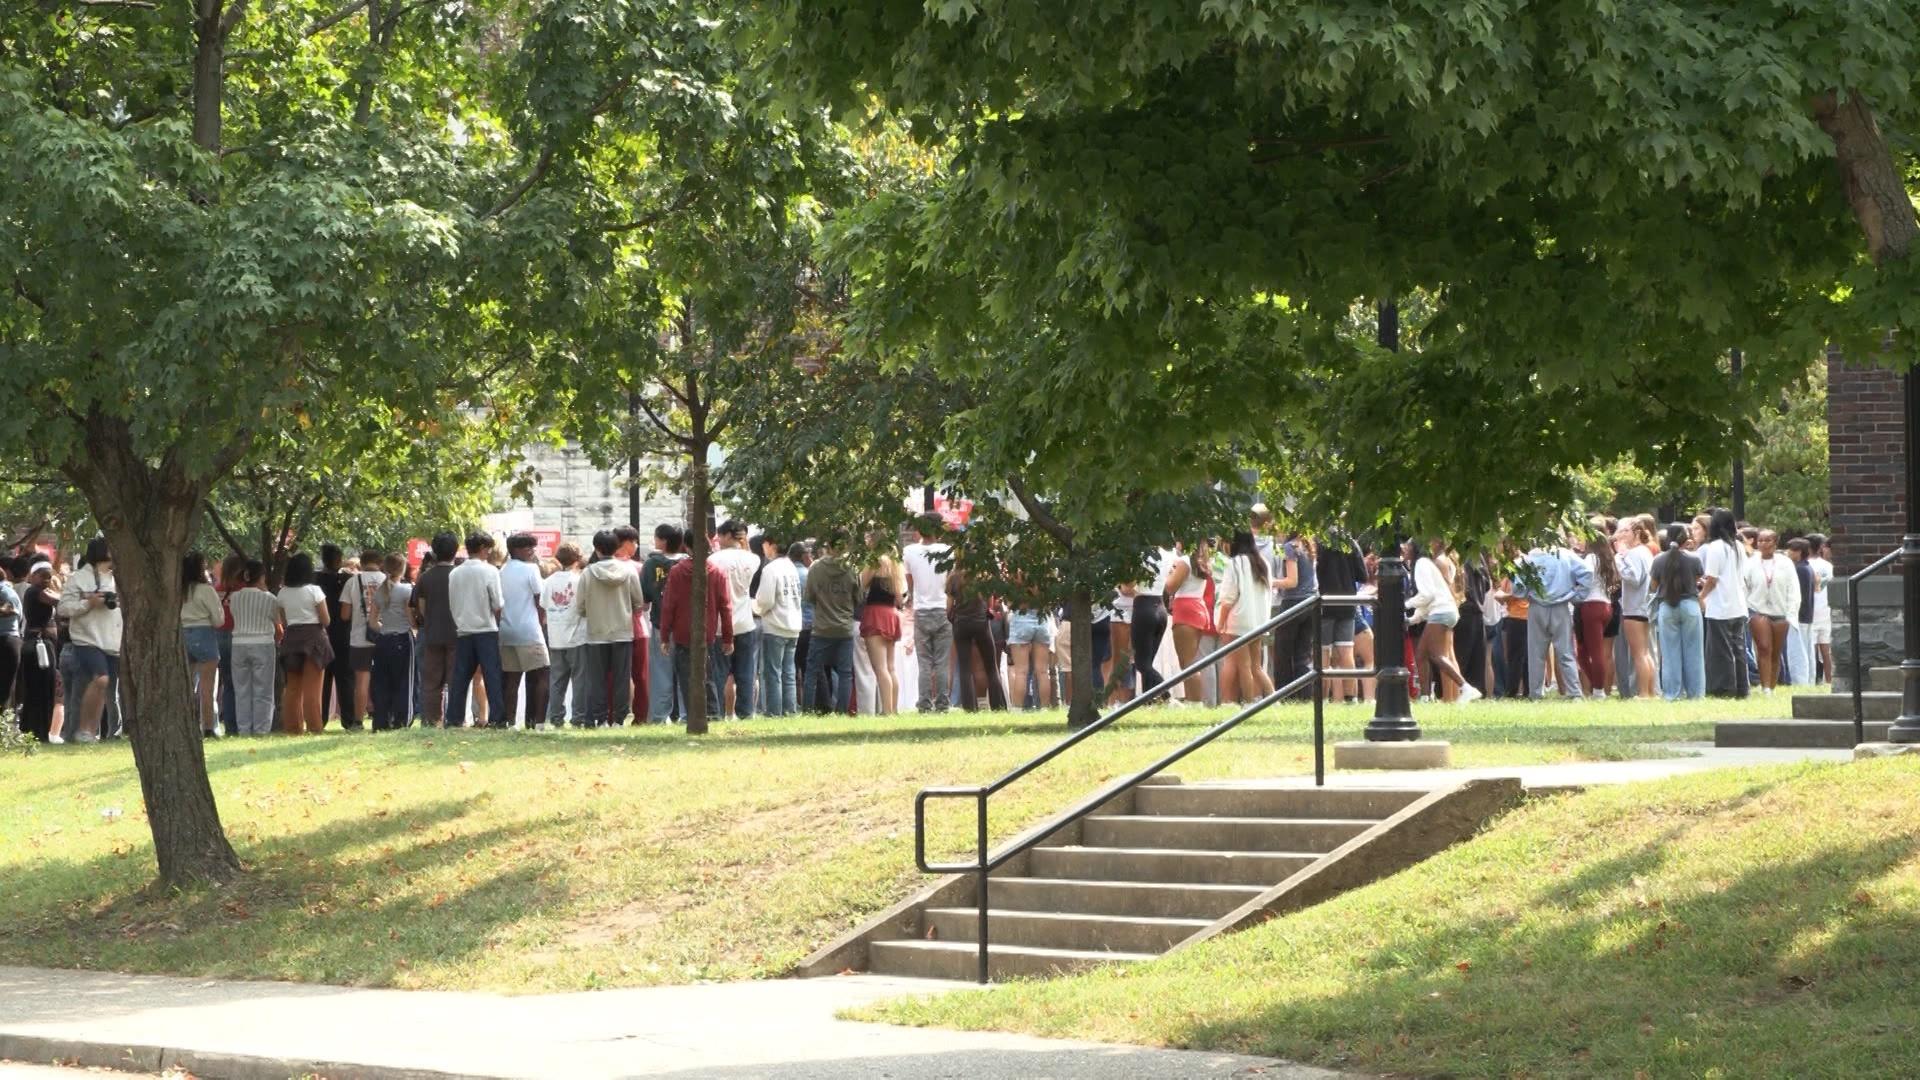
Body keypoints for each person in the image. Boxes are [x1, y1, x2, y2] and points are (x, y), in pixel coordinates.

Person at [576, 530, 647, 726]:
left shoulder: (588, 573)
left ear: (596, 549)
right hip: (623, 631)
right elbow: (638, 602)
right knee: (622, 678)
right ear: (616, 547)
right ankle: (619, 718)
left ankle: (600, 718)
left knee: (597, 679)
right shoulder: (629, 571)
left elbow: (580, 606)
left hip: (596, 632)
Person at [56, 538, 121, 743]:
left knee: (104, 687)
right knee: (101, 679)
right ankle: (83, 730)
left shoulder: (118, 577)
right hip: (87, 639)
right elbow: (63, 608)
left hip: (113, 641)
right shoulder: (78, 578)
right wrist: (88, 603)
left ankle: (90, 732)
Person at [659, 542, 734, 718]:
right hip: (708, 633)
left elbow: (669, 605)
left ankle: (693, 715)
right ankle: (713, 713)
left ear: (687, 547)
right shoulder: (717, 572)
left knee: (686, 678)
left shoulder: (677, 571)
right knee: (709, 676)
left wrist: (664, 636)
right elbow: (726, 608)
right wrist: (728, 637)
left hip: (682, 632)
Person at [1407, 538, 1481, 703]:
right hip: (1445, 610)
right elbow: (1432, 596)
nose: (1404, 547)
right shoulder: (1435, 562)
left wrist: (1406, 604)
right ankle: (1426, 697)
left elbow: (1428, 595)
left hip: (1441, 611)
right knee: (1422, 654)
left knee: (1438, 655)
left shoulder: (1423, 564)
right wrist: (1413, 619)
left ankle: (1465, 688)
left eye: (1408, 545)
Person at [1514, 540, 1589, 700]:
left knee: (1536, 653)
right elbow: (1587, 571)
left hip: (1536, 606)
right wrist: (1578, 595)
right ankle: (1574, 692)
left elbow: (1517, 587)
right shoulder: (1566, 554)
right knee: (1566, 651)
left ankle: (1535, 693)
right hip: (1561, 606)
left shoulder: (1528, 558)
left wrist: (1525, 594)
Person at [446, 532, 507, 728]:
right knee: (492, 676)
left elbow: (453, 602)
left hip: (463, 629)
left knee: (460, 677)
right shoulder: (490, 571)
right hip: (486, 629)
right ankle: (497, 718)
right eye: (488, 548)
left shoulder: (455, 573)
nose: (489, 552)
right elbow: (497, 603)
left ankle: (454, 718)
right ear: (482, 548)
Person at [707, 521, 761, 720]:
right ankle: (746, 712)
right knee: (746, 672)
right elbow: (750, 557)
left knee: (719, 673)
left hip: (721, 624)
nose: (718, 540)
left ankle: (720, 712)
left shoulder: (713, 560)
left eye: (720, 536)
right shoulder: (753, 559)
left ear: (727, 535)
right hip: (745, 621)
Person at [803, 534, 862, 714]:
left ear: (828, 545)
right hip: (844, 627)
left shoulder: (816, 568)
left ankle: (807, 709)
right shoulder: (852, 568)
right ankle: (842, 711)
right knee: (845, 673)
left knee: (812, 671)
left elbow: (809, 597)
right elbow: (858, 598)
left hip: (821, 628)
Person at [277, 552, 334, 734]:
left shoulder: (283, 592)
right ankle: (315, 727)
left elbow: (284, 621)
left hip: (292, 639)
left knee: (292, 687)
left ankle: (292, 727)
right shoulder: (314, 591)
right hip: (314, 639)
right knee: (313, 688)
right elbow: (326, 620)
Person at [901, 517, 955, 713]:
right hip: (942, 609)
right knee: (942, 662)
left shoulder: (909, 552)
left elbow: (910, 583)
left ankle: (924, 702)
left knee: (924, 662)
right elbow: (950, 582)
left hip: (921, 610)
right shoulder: (947, 551)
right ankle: (942, 703)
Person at [1215, 531, 1275, 704]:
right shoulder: (1262, 562)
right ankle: (1274, 698)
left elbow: (1228, 598)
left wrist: (1221, 623)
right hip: (1259, 621)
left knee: (1244, 666)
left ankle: (1249, 703)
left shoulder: (1235, 563)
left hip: (1239, 621)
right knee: (1256, 667)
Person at [497, 534, 549, 728]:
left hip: (506, 630)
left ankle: (510, 722)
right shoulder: (531, 569)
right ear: (516, 550)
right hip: (529, 630)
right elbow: (540, 599)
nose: (532, 551)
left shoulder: (502, 571)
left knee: (511, 679)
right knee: (542, 674)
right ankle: (539, 722)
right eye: (528, 547)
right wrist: (542, 623)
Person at [1698, 507, 1751, 699]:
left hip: (1720, 606)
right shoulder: (1738, 547)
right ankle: (1742, 687)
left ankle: (1725, 688)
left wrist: (1701, 596)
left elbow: (1712, 579)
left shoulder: (1715, 547)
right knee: (1738, 648)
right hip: (1738, 604)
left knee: (1721, 650)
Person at [410, 533, 460, 727]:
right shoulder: (459, 575)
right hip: (457, 634)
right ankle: (454, 719)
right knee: (455, 680)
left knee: (431, 682)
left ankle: (431, 720)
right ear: (455, 551)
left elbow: (421, 608)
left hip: (432, 634)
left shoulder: (425, 577)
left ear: (435, 552)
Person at [1651, 523, 1706, 700]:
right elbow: (1698, 579)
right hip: (1690, 604)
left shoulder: (1659, 560)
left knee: (1669, 653)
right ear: (1685, 539)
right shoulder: (1694, 559)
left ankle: (1672, 693)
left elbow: (1654, 585)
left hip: (1667, 606)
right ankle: (1695, 693)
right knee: (1694, 651)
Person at [335, 548, 387, 732]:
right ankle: (383, 718)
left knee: (361, 681)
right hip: (385, 635)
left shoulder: (352, 582)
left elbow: (344, 614)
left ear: (362, 563)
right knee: (384, 678)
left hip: (359, 637)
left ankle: (358, 721)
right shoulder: (388, 581)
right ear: (381, 563)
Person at [1741, 528, 1798, 695]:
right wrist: (1746, 609)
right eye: (1760, 540)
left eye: (1767, 540)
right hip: (1758, 610)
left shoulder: (1785, 563)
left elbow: (1793, 588)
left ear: (1775, 543)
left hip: (1781, 612)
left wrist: (1791, 613)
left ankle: (1772, 686)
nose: (1763, 544)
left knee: (1776, 652)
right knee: (1764, 647)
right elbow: (1744, 586)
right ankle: (1765, 687)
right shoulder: (1751, 563)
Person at [227, 561, 280, 735]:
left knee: (241, 689)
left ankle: (243, 728)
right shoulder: (269, 598)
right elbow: (278, 620)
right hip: (263, 642)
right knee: (263, 689)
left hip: (238, 643)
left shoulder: (235, 597)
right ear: (262, 577)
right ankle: (261, 728)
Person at [640, 524, 686, 722]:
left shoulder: (651, 564)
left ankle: (659, 716)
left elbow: (644, 601)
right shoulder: (688, 562)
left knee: (660, 673)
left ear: (663, 541)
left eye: (656, 538)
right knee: (687, 673)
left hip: (661, 624)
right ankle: (687, 714)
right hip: (686, 626)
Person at [753, 541, 805, 717]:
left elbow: (765, 601)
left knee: (773, 672)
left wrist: (754, 606)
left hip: (775, 625)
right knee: (789, 671)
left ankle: (774, 711)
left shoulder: (771, 569)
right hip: (793, 624)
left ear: (772, 546)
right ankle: (789, 709)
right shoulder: (791, 566)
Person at [947, 566, 1007, 712]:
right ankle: (999, 706)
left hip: (961, 623)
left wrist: (954, 619)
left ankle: (969, 708)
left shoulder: (953, 578)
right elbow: (989, 602)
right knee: (991, 667)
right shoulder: (983, 577)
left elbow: (948, 607)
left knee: (965, 668)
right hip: (981, 623)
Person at [366, 553, 415, 731]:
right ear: (403, 569)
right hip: (402, 637)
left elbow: (372, 622)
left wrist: (385, 629)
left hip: (383, 640)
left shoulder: (379, 592)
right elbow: (410, 619)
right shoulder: (406, 590)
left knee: (382, 682)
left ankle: (381, 721)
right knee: (404, 681)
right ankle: (402, 720)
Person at [180, 553, 225, 737]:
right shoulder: (206, 590)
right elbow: (219, 620)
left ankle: (185, 726)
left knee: (186, 686)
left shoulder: (178, 590)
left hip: (182, 634)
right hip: (204, 633)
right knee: (207, 686)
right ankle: (208, 726)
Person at [541, 543, 586, 728]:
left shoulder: (549, 581)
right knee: (579, 680)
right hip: (577, 635)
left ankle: (556, 716)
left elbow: (544, 604)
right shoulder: (580, 581)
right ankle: (578, 716)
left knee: (557, 680)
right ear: (577, 559)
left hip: (555, 636)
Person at [858, 546, 906, 715]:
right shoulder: (896, 567)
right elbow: (900, 599)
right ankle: (893, 709)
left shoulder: (875, 562)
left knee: (880, 668)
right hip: (891, 614)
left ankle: (886, 711)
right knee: (891, 668)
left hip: (876, 615)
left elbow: (861, 584)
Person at [1165, 540, 1214, 704]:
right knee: (1189, 660)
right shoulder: (1202, 561)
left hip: (1185, 608)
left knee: (1187, 663)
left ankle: (1195, 702)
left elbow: (1170, 587)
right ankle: (1192, 700)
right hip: (1198, 606)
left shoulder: (1184, 562)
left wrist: (1169, 571)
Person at [17, 560, 60, 741]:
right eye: (43, 576)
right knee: (38, 687)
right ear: (33, 576)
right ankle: (36, 731)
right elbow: (57, 601)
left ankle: (38, 730)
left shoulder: (42, 591)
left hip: (42, 644)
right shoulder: (34, 592)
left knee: (45, 688)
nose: (46, 580)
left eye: (49, 577)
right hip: (37, 645)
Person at [316, 544, 358, 731]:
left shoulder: (315, 580)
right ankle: (349, 720)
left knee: (323, 681)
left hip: (322, 634)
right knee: (346, 680)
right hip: (343, 634)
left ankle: (320, 718)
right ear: (338, 559)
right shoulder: (348, 580)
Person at [1574, 530, 1618, 697]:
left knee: (1592, 651)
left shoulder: (1591, 558)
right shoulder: (1608, 559)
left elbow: (1584, 578)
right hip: (1605, 604)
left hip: (1592, 604)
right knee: (1590, 650)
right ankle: (1598, 686)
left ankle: (1598, 689)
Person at [1272, 532, 1317, 693]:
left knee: (1282, 653)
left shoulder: (1289, 547)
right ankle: (1305, 695)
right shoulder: (1307, 545)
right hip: (1310, 603)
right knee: (1303, 655)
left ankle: (1283, 694)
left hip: (1293, 603)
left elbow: (1292, 581)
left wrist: (1269, 581)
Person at [1617, 521, 1657, 698]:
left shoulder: (1633, 553)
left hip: (1634, 608)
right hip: (1643, 607)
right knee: (1645, 653)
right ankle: (1650, 691)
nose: (1622, 534)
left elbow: (1633, 578)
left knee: (1639, 654)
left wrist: (1619, 559)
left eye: (1626, 531)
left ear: (1637, 533)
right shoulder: (1645, 551)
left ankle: (1643, 693)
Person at [1784, 537, 1816, 686]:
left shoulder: (1799, 569)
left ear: (1799, 552)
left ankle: (1800, 681)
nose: (1788, 552)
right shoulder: (1807, 567)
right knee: (1808, 650)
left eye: (1791, 550)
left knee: (1798, 651)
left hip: (1799, 615)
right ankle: (1810, 679)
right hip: (1807, 614)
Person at [1807, 533, 1834, 684]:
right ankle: (1829, 680)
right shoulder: (1829, 566)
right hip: (1826, 610)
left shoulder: (1804, 565)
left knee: (1810, 649)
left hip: (1809, 612)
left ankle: (1811, 680)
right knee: (1826, 650)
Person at [0, 560, 21, 719]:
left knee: (4, 690)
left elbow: (9, 611)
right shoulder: (9, 590)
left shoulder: (4, 592)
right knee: (6, 690)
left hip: (5, 641)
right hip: (11, 640)